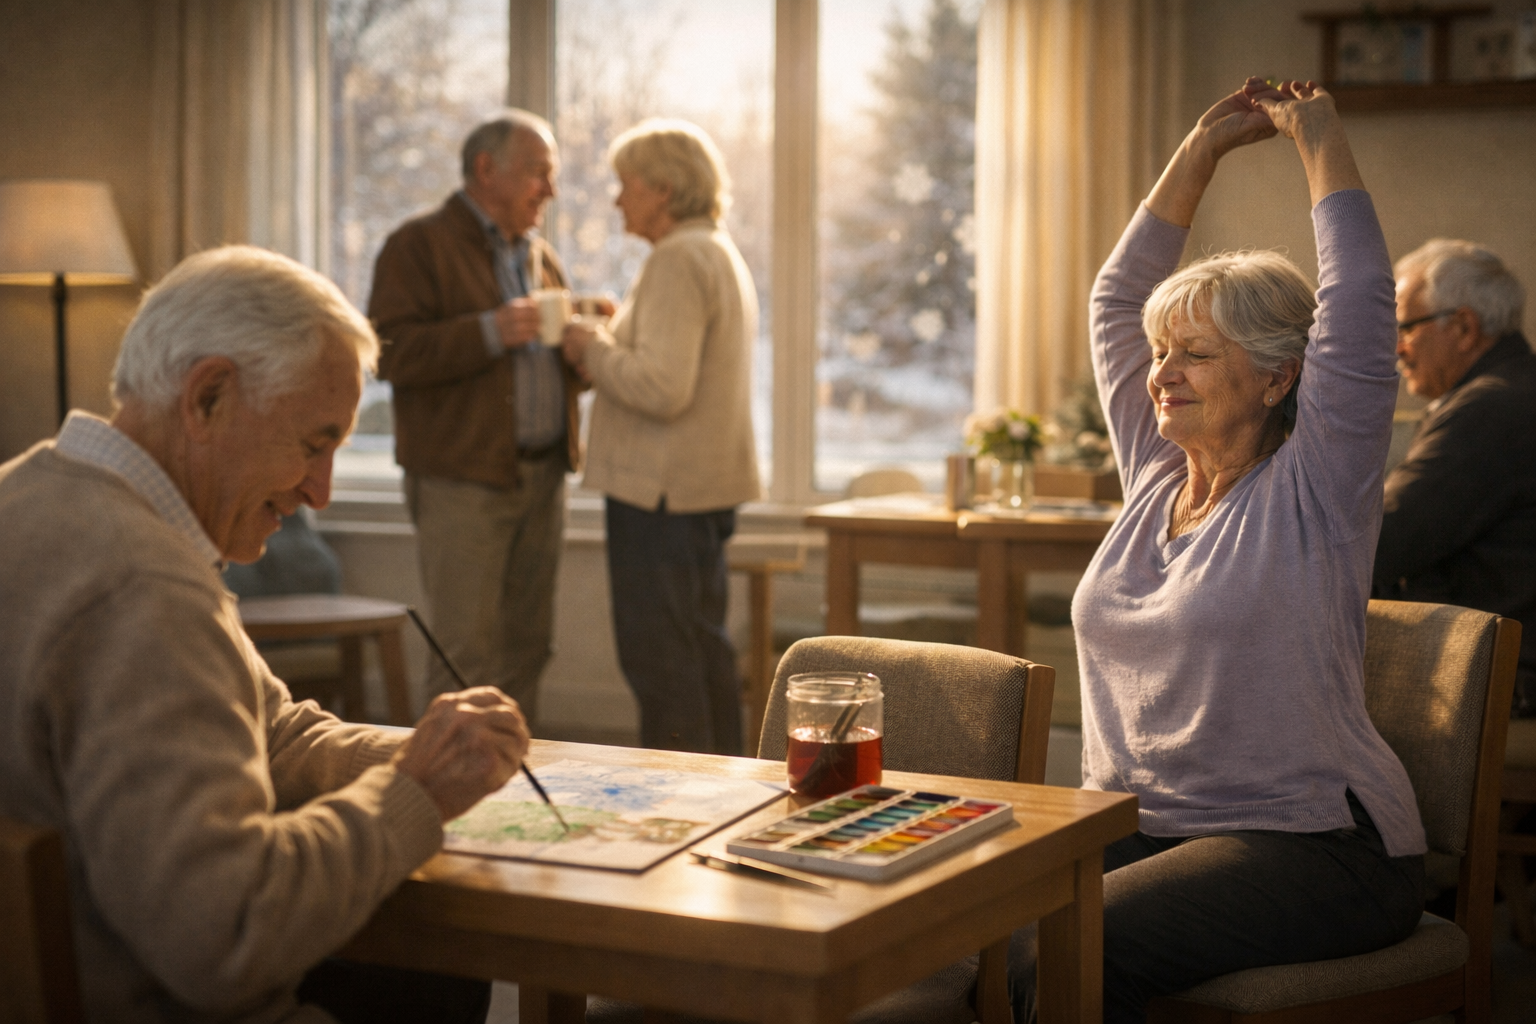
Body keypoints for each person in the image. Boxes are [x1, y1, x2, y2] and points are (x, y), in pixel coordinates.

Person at [0, 246, 529, 1024]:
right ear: (207, 396)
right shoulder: (144, 590)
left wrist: (417, 756)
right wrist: (411, 794)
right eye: (315, 444)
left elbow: (266, 728)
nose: (320, 490)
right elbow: (227, 936)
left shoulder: (37, 494)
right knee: (448, 964)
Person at [1007, 80, 1426, 1022]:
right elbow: (1116, 299)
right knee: (961, 917)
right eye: (1161, 353)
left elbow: (1360, 297)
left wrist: (1317, 136)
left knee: (1069, 950)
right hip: (1144, 829)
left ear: (1281, 377)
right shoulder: (1156, 471)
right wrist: (1199, 150)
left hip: (1315, 843)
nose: (1161, 374)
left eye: (1194, 354)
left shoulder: (1318, 489)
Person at [369, 109, 587, 723]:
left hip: (542, 479)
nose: (551, 189)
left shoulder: (540, 257)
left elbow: (539, 372)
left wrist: (584, 351)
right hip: (462, 480)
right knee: (464, 653)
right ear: (486, 170)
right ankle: (442, 800)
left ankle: (515, 795)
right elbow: (387, 353)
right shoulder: (417, 246)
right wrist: (488, 332)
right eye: (538, 173)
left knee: (528, 648)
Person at [559, 119, 760, 754]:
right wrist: (619, 337)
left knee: (662, 665)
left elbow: (662, 388)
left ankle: (678, 807)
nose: (618, 199)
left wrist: (590, 348)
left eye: (628, 185)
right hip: (698, 492)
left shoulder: (676, 259)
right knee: (701, 652)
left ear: (665, 190)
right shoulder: (716, 250)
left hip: (660, 497)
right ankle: (726, 793)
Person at [1374, 239, 1536, 716]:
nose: (1397, 348)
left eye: (1405, 327)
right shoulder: (1515, 388)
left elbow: (1378, 542)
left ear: (1464, 326)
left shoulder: (1493, 407)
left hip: (1504, 689)